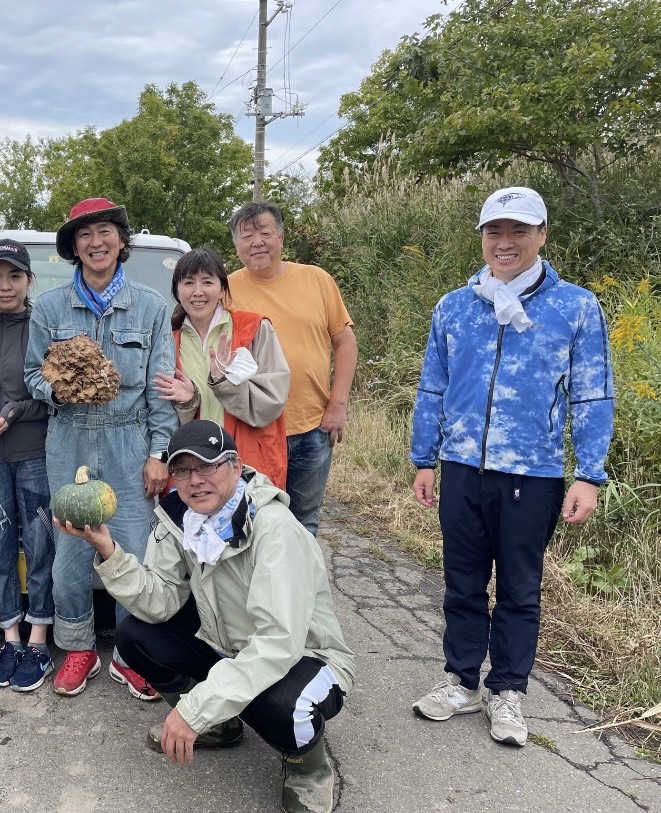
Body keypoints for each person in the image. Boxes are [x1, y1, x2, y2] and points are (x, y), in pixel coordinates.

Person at [57, 420, 355, 813]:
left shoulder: (274, 528)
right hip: (227, 643)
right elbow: (159, 600)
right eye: (182, 470)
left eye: (208, 466)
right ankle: (220, 726)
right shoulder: (181, 517)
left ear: (235, 465)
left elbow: (277, 644)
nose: (195, 480)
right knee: (134, 636)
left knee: (284, 705)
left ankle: (309, 769)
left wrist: (192, 708)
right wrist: (110, 552)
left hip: (304, 655)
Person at [409, 186, 614, 746]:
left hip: (534, 473)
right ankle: (461, 680)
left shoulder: (575, 306)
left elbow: (592, 395)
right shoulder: (455, 305)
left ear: (542, 235)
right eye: (494, 232)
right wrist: (424, 460)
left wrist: (589, 474)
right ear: (481, 238)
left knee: (520, 588)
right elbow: (433, 387)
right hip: (461, 468)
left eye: (519, 231)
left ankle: (508, 691)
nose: (506, 243)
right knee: (463, 582)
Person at [24, 197, 178, 699]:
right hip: (68, 438)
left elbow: (160, 388)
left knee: (132, 545)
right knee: (69, 547)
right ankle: (78, 648)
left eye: (106, 231)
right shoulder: (48, 308)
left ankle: (131, 654)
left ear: (120, 240)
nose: (96, 242)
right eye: (84, 234)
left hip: (128, 438)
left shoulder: (151, 307)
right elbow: (31, 375)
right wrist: (58, 386)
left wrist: (158, 453)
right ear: (73, 246)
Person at [227, 203, 358, 537]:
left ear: (281, 238)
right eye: (247, 235)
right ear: (236, 245)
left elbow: (345, 343)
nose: (257, 241)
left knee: (304, 522)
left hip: (311, 427)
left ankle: (299, 590)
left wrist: (338, 405)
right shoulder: (225, 290)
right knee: (251, 520)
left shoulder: (316, 279)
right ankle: (255, 589)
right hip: (252, 429)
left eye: (265, 232)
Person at [0, 238, 56, 692]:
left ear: (28, 280)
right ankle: (10, 638)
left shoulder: (46, 325)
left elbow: (57, 391)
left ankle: (39, 640)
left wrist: (15, 411)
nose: (6, 285)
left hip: (37, 451)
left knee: (40, 545)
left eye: (14, 275)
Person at [153, 245, 290, 487]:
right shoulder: (167, 340)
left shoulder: (253, 329)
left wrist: (224, 383)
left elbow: (273, 400)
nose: (198, 292)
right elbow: (160, 417)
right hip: (194, 469)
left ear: (222, 288)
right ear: (176, 290)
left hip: (248, 461)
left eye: (207, 282)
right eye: (188, 283)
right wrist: (188, 401)